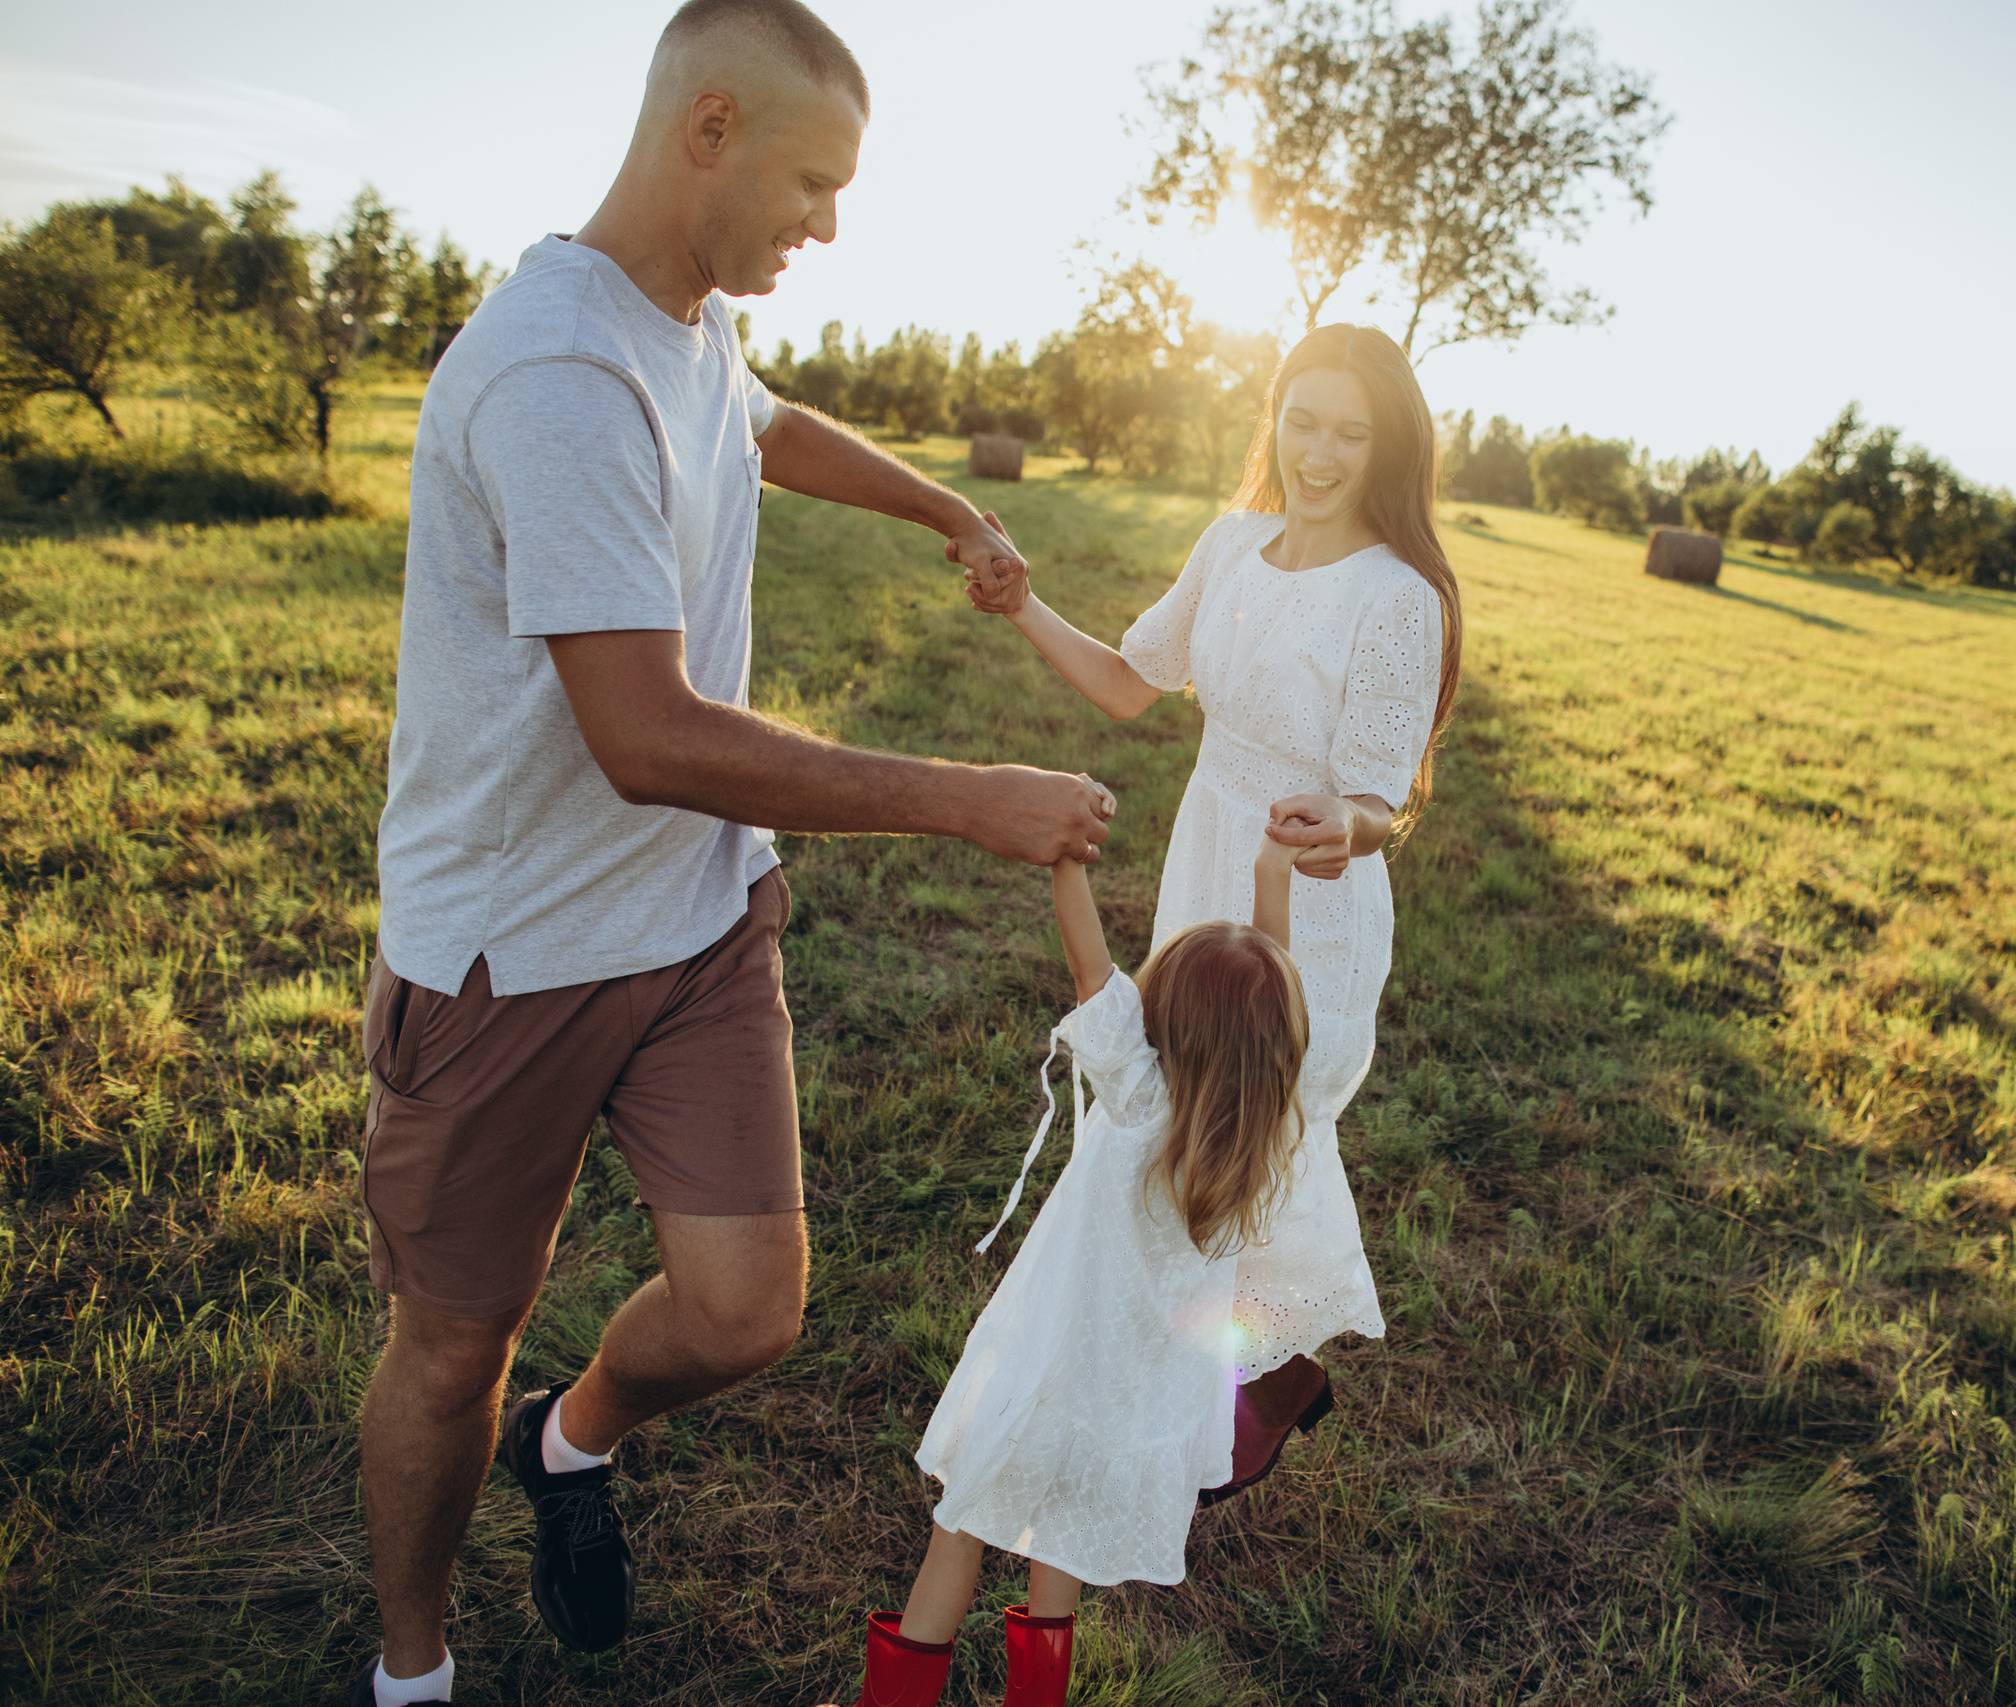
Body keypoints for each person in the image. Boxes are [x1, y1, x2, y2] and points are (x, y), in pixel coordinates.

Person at [347, 4, 1116, 1704]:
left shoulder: (684, 319)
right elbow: (647, 735)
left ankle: (577, 1435)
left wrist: (942, 508)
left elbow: (761, 425)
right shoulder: (557, 366)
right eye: (813, 182)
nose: (828, 226)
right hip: (507, 954)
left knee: (751, 1304)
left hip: (695, 917)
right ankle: (413, 1665)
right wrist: (961, 793)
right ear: (708, 127)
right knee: (450, 1340)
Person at [964, 323, 1465, 1489]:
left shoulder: (1398, 598)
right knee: (1176, 1110)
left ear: (1386, 447)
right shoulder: (1231, 546)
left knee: (1260, 1131)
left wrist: (1344, 829)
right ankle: (1231, 1377)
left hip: (1311, 894)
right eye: (1303, 420)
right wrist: (1026, 606)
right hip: (1203, 868)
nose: (1320, 453)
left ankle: (1251, 1372)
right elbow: (1129, 686)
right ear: (1273, 415)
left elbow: (1376, 803)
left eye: (1351, 432)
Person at [834, 827, 1314, 1707]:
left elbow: (1092, 970)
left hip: (1048, 1376)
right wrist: (1269, 875)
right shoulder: (1260, 1134)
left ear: (1163, 1017)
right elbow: (1267, 988)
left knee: (961, 1531)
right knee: (1057, 1563)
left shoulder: (1138, 1098)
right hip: (1131, 1414)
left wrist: (1063, 854)